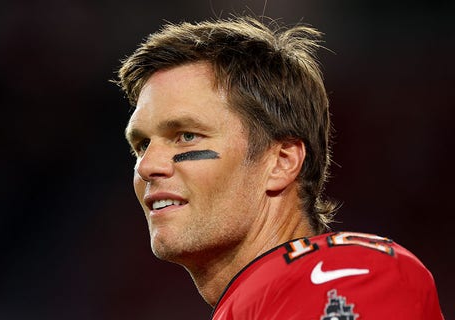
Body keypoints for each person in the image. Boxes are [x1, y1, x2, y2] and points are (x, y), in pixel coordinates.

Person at [116, 16, 444, 319]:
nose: (147, 165)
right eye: (142, 144)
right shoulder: (258, 301)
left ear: (281, 162)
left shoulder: (346, 273)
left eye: (187, 136)